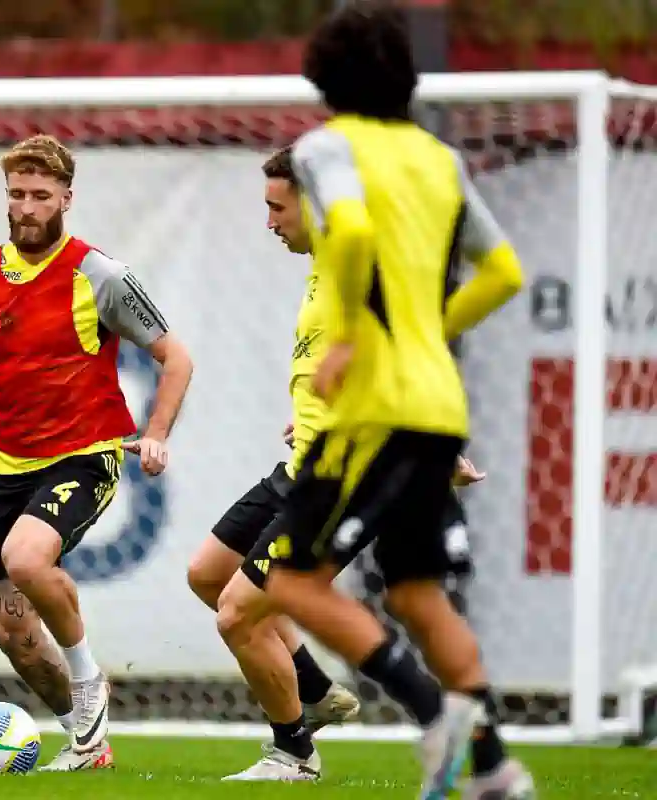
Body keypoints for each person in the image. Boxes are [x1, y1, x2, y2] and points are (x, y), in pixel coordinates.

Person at [252, 4, 534, 798]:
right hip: (439, 406)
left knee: (291, 583)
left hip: (370, 407)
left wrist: (351, 340)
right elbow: (504, 272)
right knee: (416, 594)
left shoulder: (326, 147)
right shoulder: (441, 160)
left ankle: (434, 715)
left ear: (326, 82)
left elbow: (348, 226)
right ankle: (494, 770)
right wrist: (424, 332)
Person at [0, 134, 195, 772]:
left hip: (86, 453)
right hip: (9, 465)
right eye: (17, 194)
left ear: (66, 199)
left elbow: (176, 357)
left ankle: (89, 683)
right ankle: (88, 742)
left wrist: (157, 431)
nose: (26, 207)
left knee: (26, 557)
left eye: (40, 196)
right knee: (14, 636)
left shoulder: (98, 274)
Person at [208, 147, 487, 782]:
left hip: (335, 480)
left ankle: (296, 754)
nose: (270, 222)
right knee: (208, 574)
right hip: (305, 461)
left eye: (277, 208)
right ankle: (319, 692)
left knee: (237, 613)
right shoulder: (326, 267)